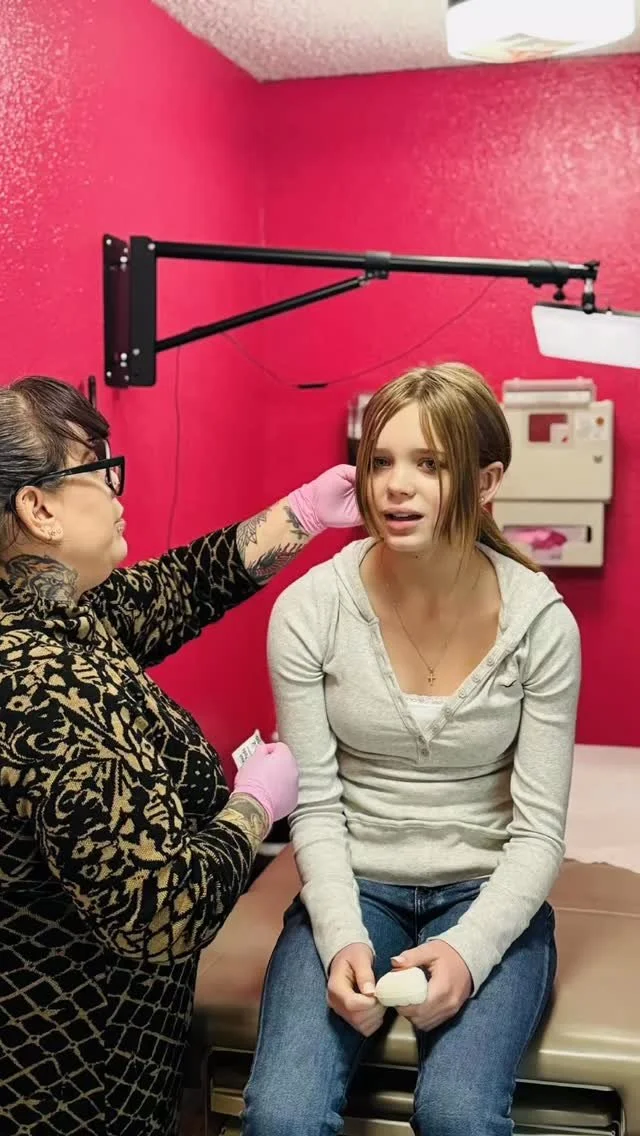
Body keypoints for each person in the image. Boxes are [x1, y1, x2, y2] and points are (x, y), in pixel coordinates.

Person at [0, 375, 360, 1136]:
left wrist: (301, 514)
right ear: (38, 508)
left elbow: (182, 587)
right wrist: (253, 806)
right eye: (99, 470)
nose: (117, 488)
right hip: (67, 1085)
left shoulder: (57, 616)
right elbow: (162, 909)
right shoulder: (37, 690)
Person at [242, 363, 582, 1136]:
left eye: (430, 464)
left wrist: (468, 951)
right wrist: (341, 937)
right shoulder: (310, 612)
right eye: (381, 461)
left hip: (485, 889)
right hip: (355, 884)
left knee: (457, 1113)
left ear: (486, 481)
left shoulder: (541, 625)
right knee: (282, 1115)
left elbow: (539, 834)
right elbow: (315, 806)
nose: (396, 486)